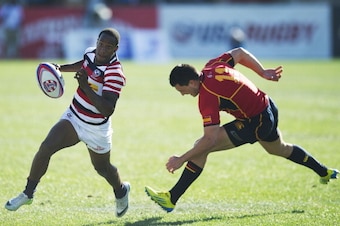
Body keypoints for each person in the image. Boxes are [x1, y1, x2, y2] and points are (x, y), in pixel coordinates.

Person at [145, 47, 339, 212]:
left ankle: (171, 198)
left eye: (182, 90)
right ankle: (324, 171)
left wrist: (181, 159)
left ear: (192, 82)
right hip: (268, 105)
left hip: (257, 121)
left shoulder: (207, 96)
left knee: (201, 146)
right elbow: (239, 53)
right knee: (279, 149)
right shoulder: (212, 66)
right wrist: (262, 72)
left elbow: (209, 139)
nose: (183, 95)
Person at [5, 28, 130, 217]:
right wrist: (60, 68)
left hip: (96, 127)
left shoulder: (115, 74)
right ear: (96, 41)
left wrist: (85, 87)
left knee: (102, 168)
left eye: (108, 47)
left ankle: (121, 191)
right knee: (46, 148)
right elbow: (84, 64)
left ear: (116, 49)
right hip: (73, 116)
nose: (102, 49)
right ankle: (28, 193)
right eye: (100, 44)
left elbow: (108, 109)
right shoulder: (91, 53)